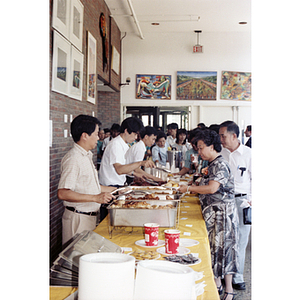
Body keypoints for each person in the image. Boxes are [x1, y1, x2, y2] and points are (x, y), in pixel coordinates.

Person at [178, 129, 239, 300]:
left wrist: (189, 188)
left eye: (200, 148)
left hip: (222, 216)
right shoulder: (211, 164)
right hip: (213, 214)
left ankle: (229, 290)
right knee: (215, 250)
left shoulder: (220, 164)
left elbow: (213, 188)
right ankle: (217, 283)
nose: (199, 152)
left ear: (212, 146)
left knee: (225, 251)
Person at [57, 115, 116, 245]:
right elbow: (63, 193)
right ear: (85, 135)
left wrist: (118, 190)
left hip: (90, 217)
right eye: (96, 134)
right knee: (77, 261)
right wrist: (95, 198)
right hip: (78, 219)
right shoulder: (73, 159)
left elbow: (92, 186)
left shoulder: (86, 155)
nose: (99, 137)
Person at [219, 121, 252, 292]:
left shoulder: (248, 154)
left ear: (233, 136)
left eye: (223, 136)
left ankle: (238, 276)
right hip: (225, 199)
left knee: (240, 240)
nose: (221, 139)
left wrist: (251, 199)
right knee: (225, 239)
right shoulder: (222, 153)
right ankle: (225, 275)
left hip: (242, 201)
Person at [99, 117, 155, 187]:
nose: (136, 137)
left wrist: (134, 174)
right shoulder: (116, 145)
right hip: (110, 185)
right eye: (135, 134)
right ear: (126, 131)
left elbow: (123, 167)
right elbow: (119, 169)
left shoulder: (124, 144)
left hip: (117, 183)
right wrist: (141, 163)